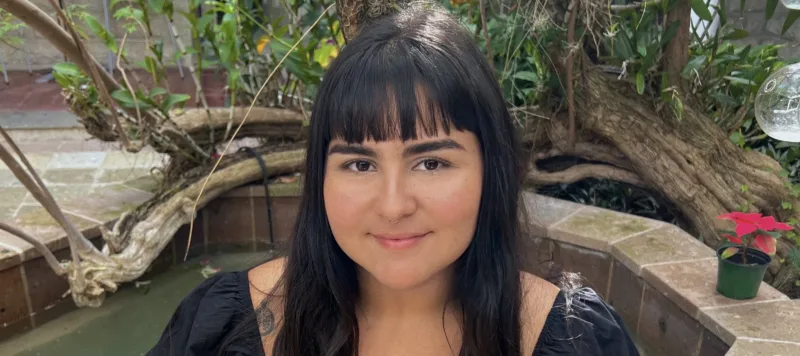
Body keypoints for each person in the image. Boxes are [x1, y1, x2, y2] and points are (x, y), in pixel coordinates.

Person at [147, 3, 640, 356]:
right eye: (359, 164)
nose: (393, 205)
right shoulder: (225, 327)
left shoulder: (576, 339)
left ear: (493, 170)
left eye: (432, 162)